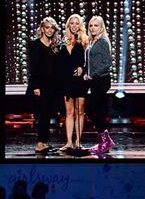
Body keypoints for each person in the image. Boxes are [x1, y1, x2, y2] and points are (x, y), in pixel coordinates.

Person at [26, 16, 61, 154]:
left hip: (51, 86)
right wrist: (35, 86)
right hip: (39, 86)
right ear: (42, 28)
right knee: (41, 115)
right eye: (47, 27)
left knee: (47, 115)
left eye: (52, 28)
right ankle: (39, 143)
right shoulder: (34, 44)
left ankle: (44, 142)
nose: (50, 30)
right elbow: (33, 67)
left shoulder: (55, 46)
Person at [83, 15, 115, 154]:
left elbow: (108, 63)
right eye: (91, 25)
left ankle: (105, 141)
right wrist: (86, 73)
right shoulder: (93, 41)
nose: (93, 28)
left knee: (92, 110)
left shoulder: (102, 41)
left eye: (96, 25)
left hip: (101, 80)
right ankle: (104, 141)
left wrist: (93, 74)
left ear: (101, 27)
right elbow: (91, 62)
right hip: (95, 80)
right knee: (97, 111)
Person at [57, 14, 89, 151]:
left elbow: (89, 61)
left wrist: (83, 68)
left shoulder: (85, 41)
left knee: (80, 111)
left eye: (77, 23)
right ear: (68, 25)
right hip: (66, 82)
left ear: (80, 25)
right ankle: (69, 142)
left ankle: (78, 142)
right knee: (69, 112)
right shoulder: (62, 43)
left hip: (80, 81)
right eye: (72, 23)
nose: (74, 25)